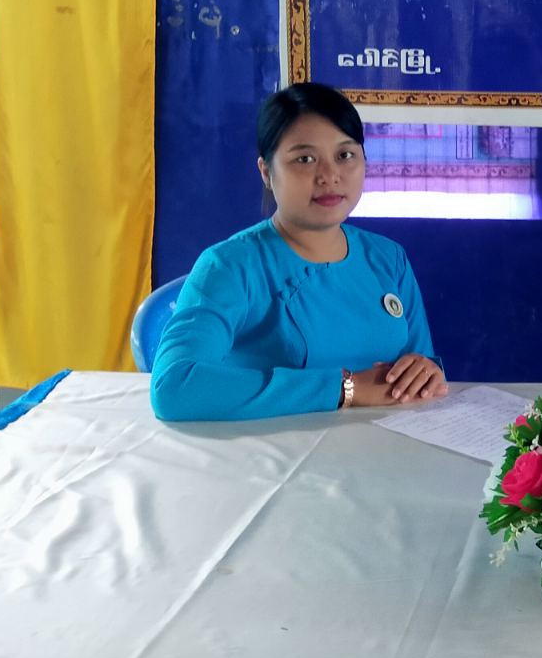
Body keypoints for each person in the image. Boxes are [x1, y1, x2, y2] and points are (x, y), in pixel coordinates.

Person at [151, 82, 446, 422]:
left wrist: (426, 372)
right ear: (266, 172)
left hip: (387, 445)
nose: (330, 176)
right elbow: (173, 387)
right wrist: (345, 389)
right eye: (305, 159)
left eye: (345, 155)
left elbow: (420, 364)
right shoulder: (229, 266)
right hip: (270, 450)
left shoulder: (388, 258)